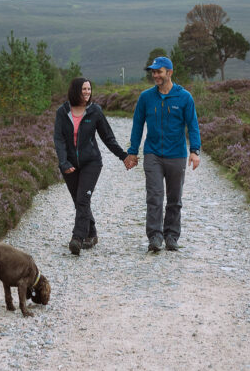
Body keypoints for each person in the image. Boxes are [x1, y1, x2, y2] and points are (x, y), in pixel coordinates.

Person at [124, 56, 201, 252]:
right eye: (153, 72)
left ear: (170, 72)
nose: (155, 75)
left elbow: (192, 125)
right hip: (153, 155)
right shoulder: (146, 97)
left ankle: (172, 236)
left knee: (175, 198)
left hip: (177, 155)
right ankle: (155, 237)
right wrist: (132, 152)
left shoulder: (184, 97)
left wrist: (194, 151)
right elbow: (137, 126)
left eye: (159, 71)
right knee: (155, 196)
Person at [54, 76, 132, 255]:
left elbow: (108, 137)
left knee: (83, 199)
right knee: (79, 201)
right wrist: (63, 162)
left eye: (89, 89)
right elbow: (58, 139)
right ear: (75, 90)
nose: (87, 93)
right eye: (83, 89)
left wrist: (123, 156)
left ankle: (77, 238)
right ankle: (92, 233)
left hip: (92, 163)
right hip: (69, 165)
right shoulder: (62, 112)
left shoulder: (95, 111)